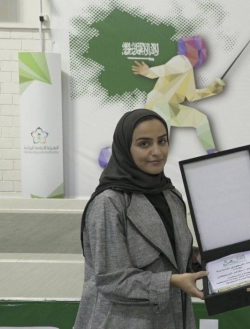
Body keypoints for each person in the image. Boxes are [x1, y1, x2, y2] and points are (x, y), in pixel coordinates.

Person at [75, 109, 207, 329]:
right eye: (144, 144)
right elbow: (111, 279)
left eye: (162, 141)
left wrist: (195, 259)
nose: (157, 151)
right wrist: (172, 281)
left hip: (173, 319)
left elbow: (170, 254)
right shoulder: (109, 202)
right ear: (125, 148)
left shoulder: (170, 195)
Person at [132, 35, 225, 154]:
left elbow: (191, 96)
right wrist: (149, 72)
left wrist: (212, 90)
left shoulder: (188, 69)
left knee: (200, 119)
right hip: (158, 105)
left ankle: (212, 152)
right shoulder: (182, 60)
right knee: (161, 142)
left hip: (169, 107)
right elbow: (166, 69)